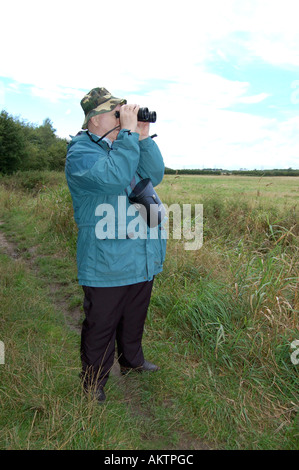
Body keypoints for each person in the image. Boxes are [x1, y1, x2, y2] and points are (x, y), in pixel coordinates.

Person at [65, 87, 166, 403]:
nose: (125, 118)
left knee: (135, 316)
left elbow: (154, 175)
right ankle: (93, 382)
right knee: (102, 325)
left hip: (141, 254)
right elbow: (113, 177)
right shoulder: (80, 154)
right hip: (107, 261)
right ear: (95, 120)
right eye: (116, 112)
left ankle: (132, 360)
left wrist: (144, 137)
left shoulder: (127, 146)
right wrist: (128, 137)